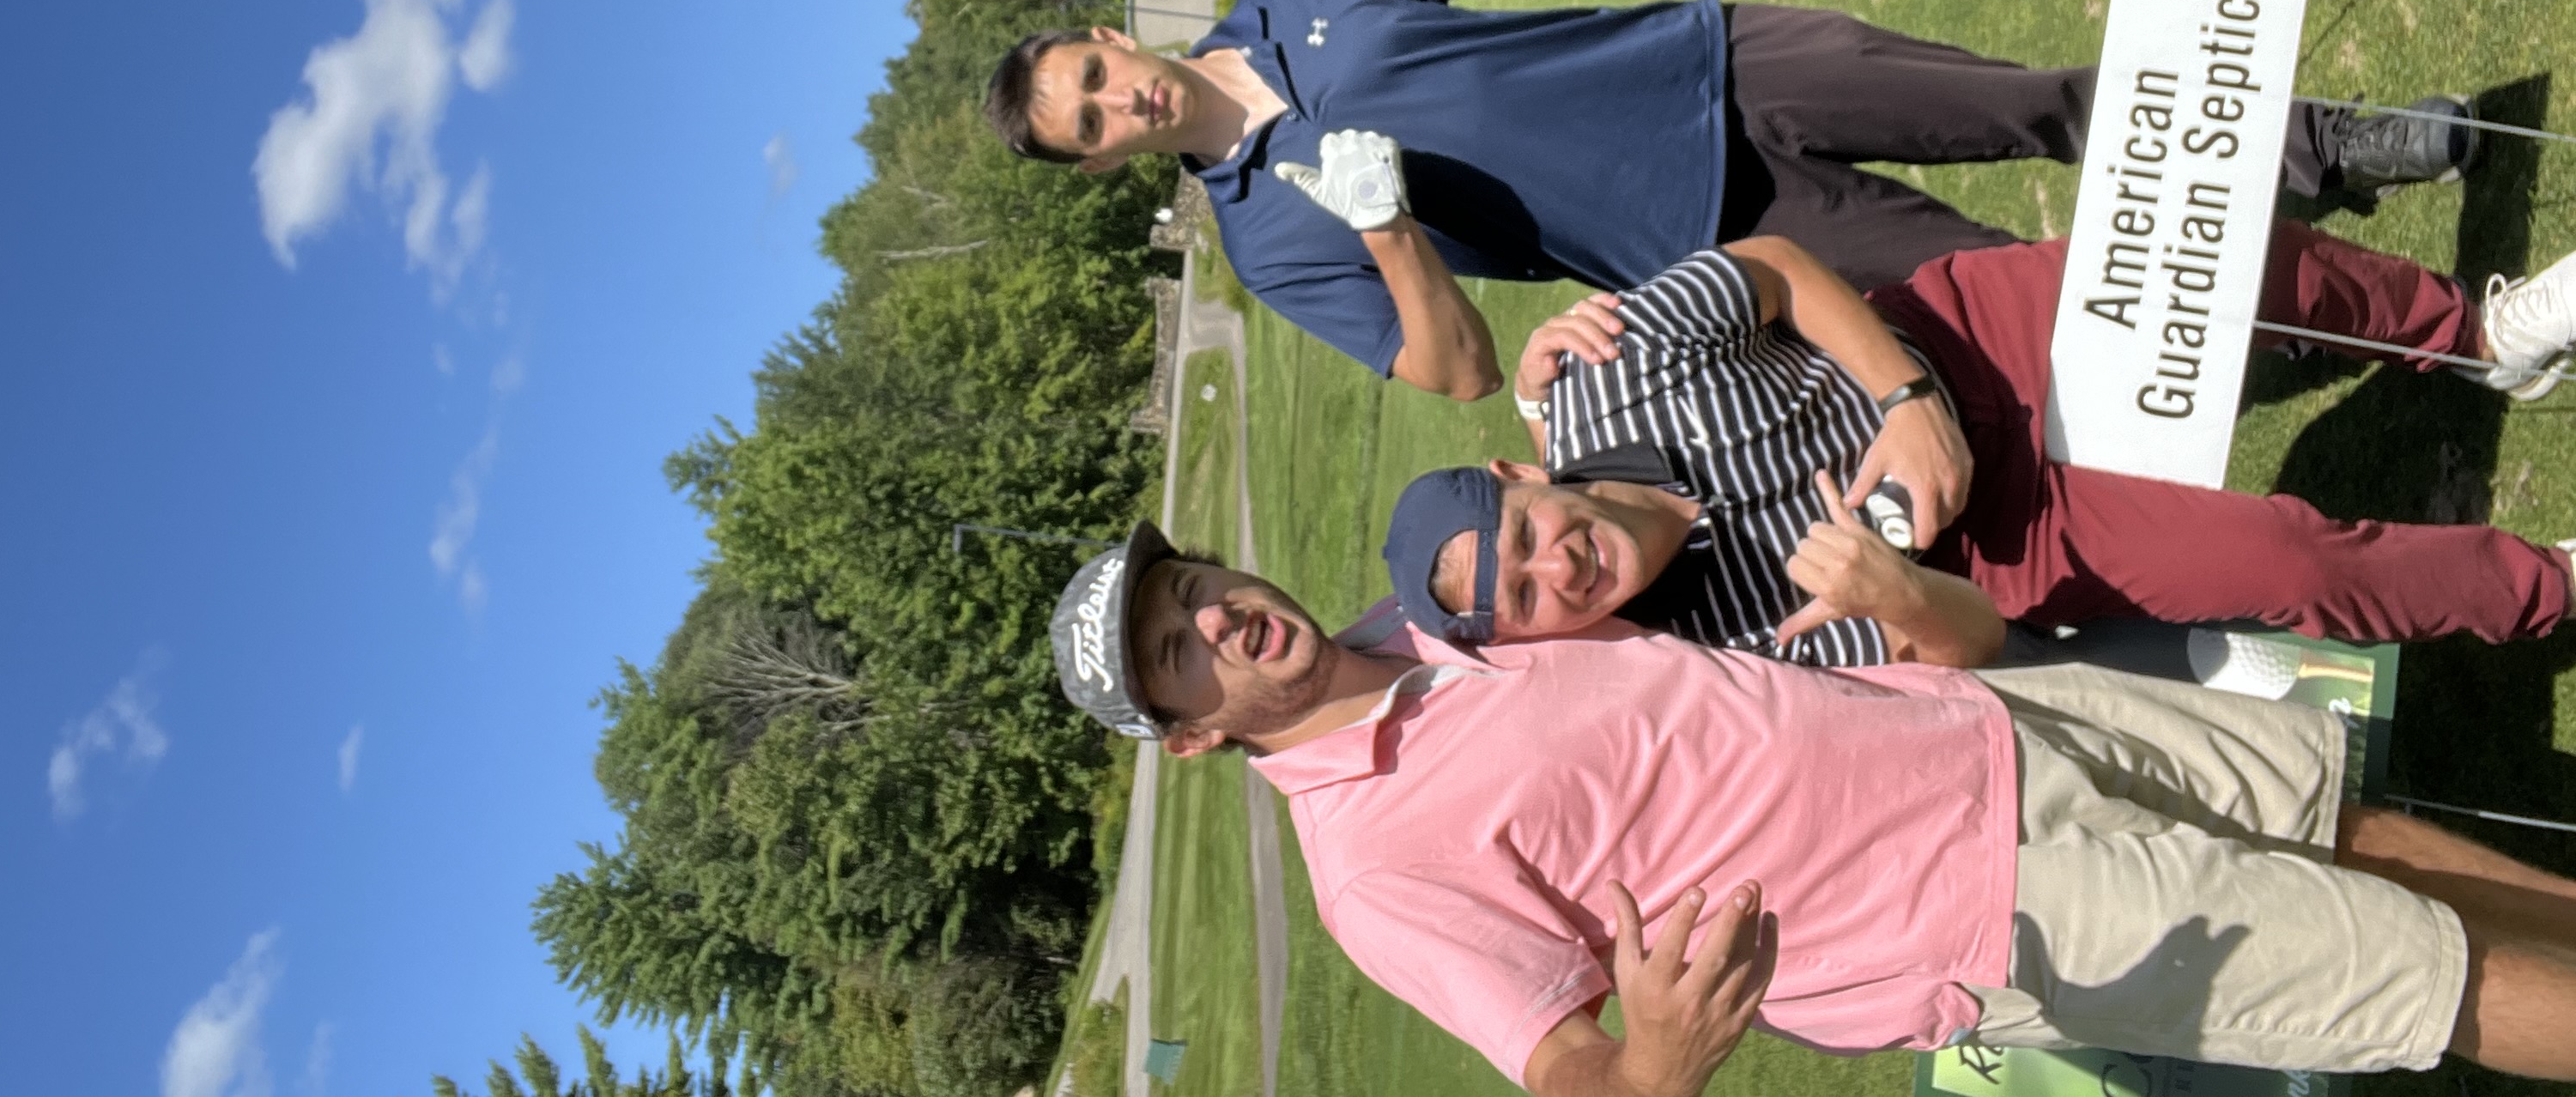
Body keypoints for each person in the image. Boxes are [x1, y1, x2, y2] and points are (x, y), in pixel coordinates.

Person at [1047, 524, 2576, 1088]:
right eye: (1182, 653)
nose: (1223, 620)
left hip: (1990, 721)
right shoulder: (1370, 869)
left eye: (1195, 588)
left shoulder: (1432, 622)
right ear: (1192, 740)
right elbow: (1570, 1074)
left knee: (2347, 833)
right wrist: (1654, 1053)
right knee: (2419, 975)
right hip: (1991, 911)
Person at [982, 0, 2473, 395]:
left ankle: (2333, 143)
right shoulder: (1262, 239)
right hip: (1726, 250)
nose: (1124, 108)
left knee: (2038, 101)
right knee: (2023, 295)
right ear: (1107, 165)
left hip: (1718, 59)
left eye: (1098, 79)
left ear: (1113, 39)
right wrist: (1383, 230)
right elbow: (1456, 371)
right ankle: (2301, 323)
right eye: (1095, 132)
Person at [1376, 225, 2576, 666]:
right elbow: (1958, 650)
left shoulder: (1596, 371)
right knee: (2291, 564)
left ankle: (2473, 332)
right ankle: (2552, 586)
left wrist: (1904, 397)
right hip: (1994, 545)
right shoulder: (1691, 658)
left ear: (1518, 473)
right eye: (1522, 601)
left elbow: (1777, 271)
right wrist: (1896, 595)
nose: (1557, 571)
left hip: (1953, 343)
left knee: (2218, 268)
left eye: (1521, 539)